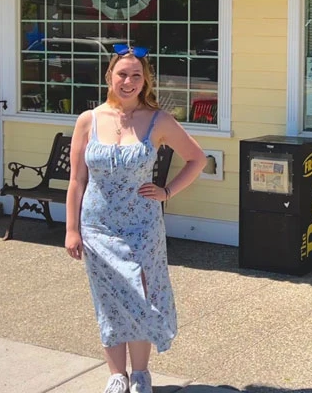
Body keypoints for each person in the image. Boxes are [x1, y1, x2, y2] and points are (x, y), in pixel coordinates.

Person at [65, 44, 207, 393]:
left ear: (145, 81)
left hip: (142, 227)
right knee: (109, 297)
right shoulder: (89, 120)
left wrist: (167, 191)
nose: (128, 81)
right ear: (109, 76)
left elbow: (196, 159)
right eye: (122, 74)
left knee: (141, 296)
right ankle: (117, 376)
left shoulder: (159, 120)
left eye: (136, 75)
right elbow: (77, 180)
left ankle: (140, 374)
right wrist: (71, 230)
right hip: (97, 227)